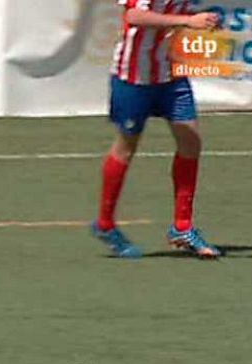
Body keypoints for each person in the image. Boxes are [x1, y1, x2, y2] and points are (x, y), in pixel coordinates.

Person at [90, 0, 221, 258]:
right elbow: (134, 16)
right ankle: (105, 224)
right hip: (133, 78)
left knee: (191, 142)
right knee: (126, 146)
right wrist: (187, 21)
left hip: (172, 75)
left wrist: (204, 21)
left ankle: (182, 227)